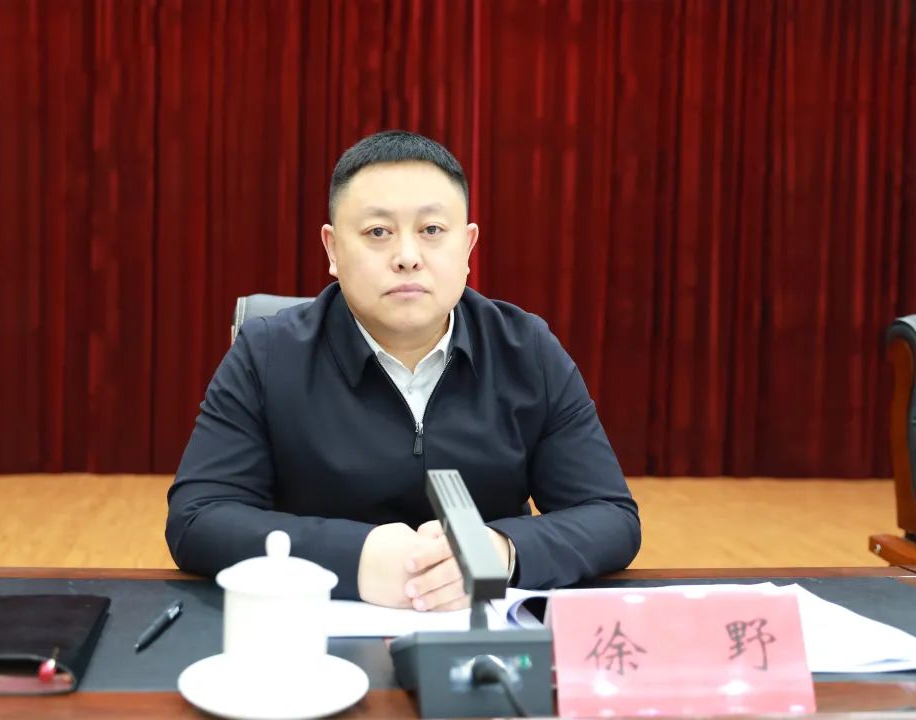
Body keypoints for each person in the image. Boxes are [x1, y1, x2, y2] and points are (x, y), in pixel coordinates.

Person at [166, 130, 640, 611]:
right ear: (332, 250)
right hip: (312, 631)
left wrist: (500, 551)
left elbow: (610, 515)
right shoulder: (267, 353)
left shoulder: (526, 350)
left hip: (481, 628)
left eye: (431, 230)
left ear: (468, 247)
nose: (407, 257)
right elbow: (198, 517)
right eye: (378, 232)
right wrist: (355, 558)